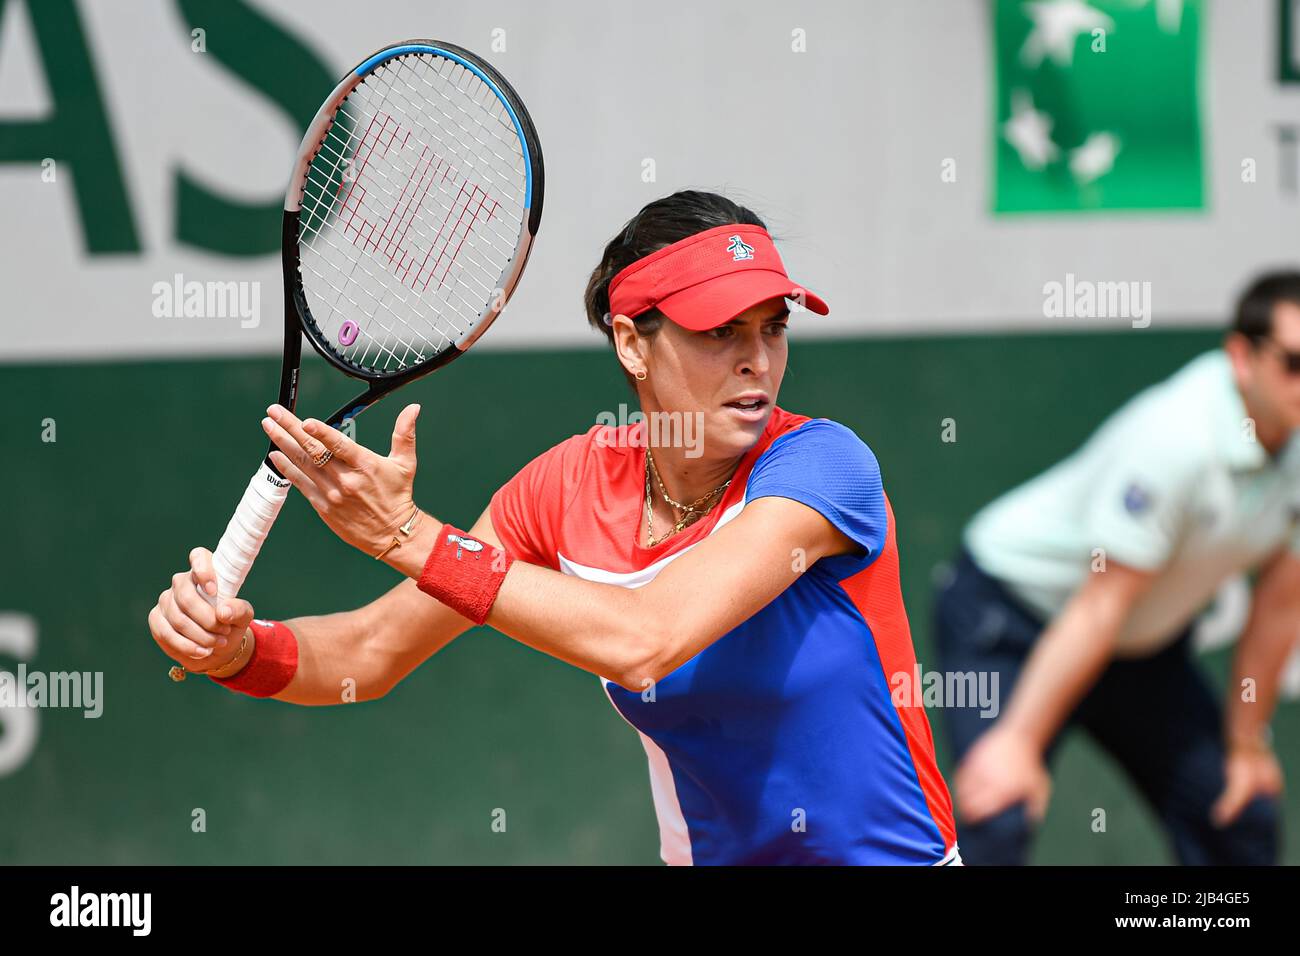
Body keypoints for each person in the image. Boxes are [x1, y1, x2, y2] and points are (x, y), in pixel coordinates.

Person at [149, 190, 959, 866]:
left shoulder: (823, 466)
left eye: (772, 327)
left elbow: (648, 638)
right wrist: (240, 651)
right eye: (720, 332)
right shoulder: (567, 487)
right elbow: (370, 653)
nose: (758, 360)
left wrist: (407, 536)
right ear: (631, 343)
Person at [934, 271, 1300, 865]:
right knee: (997, 813)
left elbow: (1283, 603)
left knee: (1239, 814)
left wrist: (1247, 742)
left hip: (1137, 646)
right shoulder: (1177, 439)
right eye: (1294, 362)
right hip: (1011, 618)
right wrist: (1019, 743)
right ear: (1242, 357)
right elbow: (1099, 604)